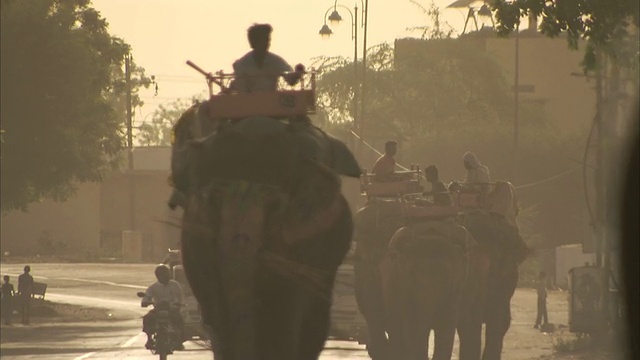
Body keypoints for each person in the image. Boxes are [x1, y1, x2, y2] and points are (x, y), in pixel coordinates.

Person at [231, 23, 305, 93]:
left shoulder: (276, 61)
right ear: (253, 43)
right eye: (264, 41)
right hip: (248, 104)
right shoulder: (242, 64)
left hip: (272, 104)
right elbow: (241, 92)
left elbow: (290, 79)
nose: (267, 44)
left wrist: (298, 73)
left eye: (268, 40)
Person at [142, 264, 185, 350]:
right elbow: (146, 297)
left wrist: (178, 305)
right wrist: (145, 302)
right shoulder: (153, 287)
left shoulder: (175, 285)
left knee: (180, 320)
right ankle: (149, 339)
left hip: (171, 309)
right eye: (161, 275)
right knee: (147, 318)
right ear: (157, 276)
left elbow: (180, 298)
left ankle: (179, 341)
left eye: (165, 274)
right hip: (158, 310)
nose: (163, 277)